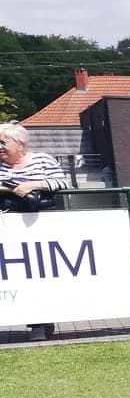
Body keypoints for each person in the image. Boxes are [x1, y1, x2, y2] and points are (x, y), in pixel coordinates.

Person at [0, 122, 72, 340]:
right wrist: (13, 190)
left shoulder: (43, 159)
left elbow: (63, 183)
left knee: (40, 273)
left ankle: (41, 322)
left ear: (20, 143)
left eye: (3, 142)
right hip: (8, 225)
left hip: (40, 225)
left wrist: (33, 185)